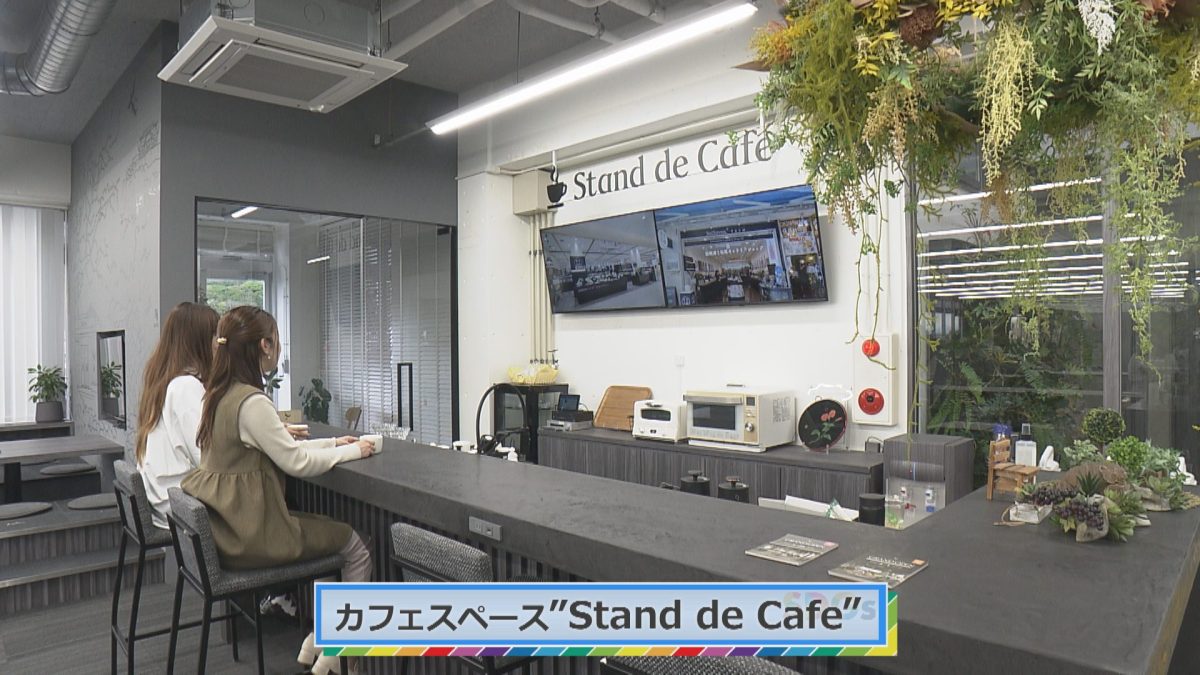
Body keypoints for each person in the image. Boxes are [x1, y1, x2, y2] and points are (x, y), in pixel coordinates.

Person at [183, 306, 373, 675]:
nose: (279, 347)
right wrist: (355, 451)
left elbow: (281, 448)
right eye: (277, 340)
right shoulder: (252, 402)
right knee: (355, 546)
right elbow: (296, 462)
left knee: (325, 538)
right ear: (265, 346)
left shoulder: (218, 395)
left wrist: (334, 443)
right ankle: (341, 653)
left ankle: (320, 639)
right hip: (253, 535)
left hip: (230, 529)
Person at [136, 302, 220, 530]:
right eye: (216, 336)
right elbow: (208, 458)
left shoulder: (165, 381)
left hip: (164, 501)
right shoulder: (186, 386)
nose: (219, 345)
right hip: (182, 508)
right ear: (200, 341)